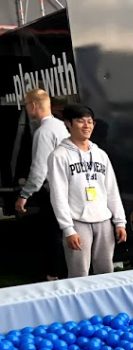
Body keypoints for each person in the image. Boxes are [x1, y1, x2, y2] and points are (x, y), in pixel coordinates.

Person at [46, 104, 127, 278]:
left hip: (103, 220)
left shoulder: (100, 154)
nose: (86, 126)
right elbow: (58, 195)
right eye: (80, 121)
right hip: (77, 221)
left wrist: (120, 221)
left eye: (90, 122)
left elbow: (111, 189)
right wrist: (68, 229)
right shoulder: (59, 155)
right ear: (68, 123)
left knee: (106, 271)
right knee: (79, 273)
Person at [14, 88, 69, 281]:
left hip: (53, 191)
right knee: (64, 232)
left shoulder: (43, 132)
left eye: (26, 105)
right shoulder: (61, 126)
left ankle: (54, 275)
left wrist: (24, 195)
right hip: (68, 188)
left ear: (34, 105)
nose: (26, 109)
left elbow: (39, 169)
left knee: (52, 234)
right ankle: (64, 272)